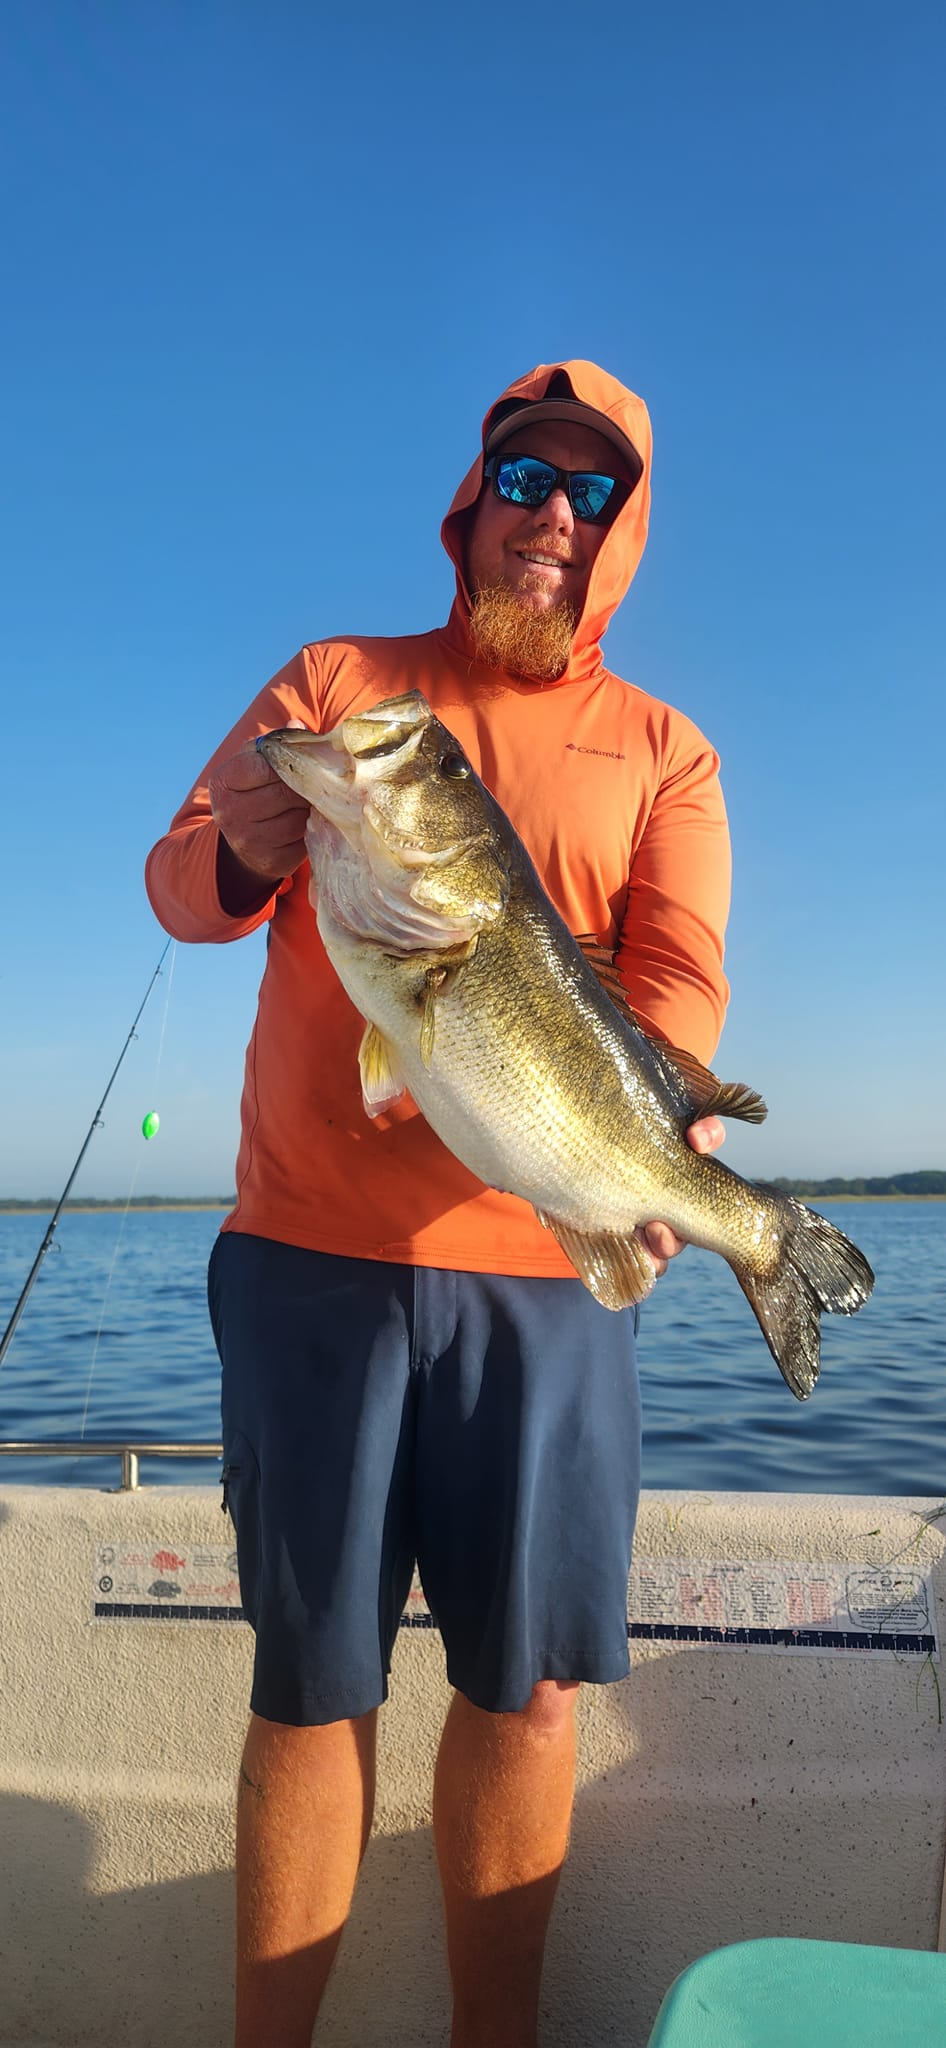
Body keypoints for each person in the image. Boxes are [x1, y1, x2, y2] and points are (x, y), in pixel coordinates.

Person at [145, 359, 731, 2048]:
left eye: (593, 496)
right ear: (471, 502)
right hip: (308, 1259)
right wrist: (254, 837)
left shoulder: (663, 752)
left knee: (528, 1694)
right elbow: (184, 885)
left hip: (542, 1265)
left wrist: (642, 1160)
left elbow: (673, 991)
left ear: (623, 537)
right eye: (527, 483)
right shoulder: (343, 684)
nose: (556, 520)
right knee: (310, 1687)